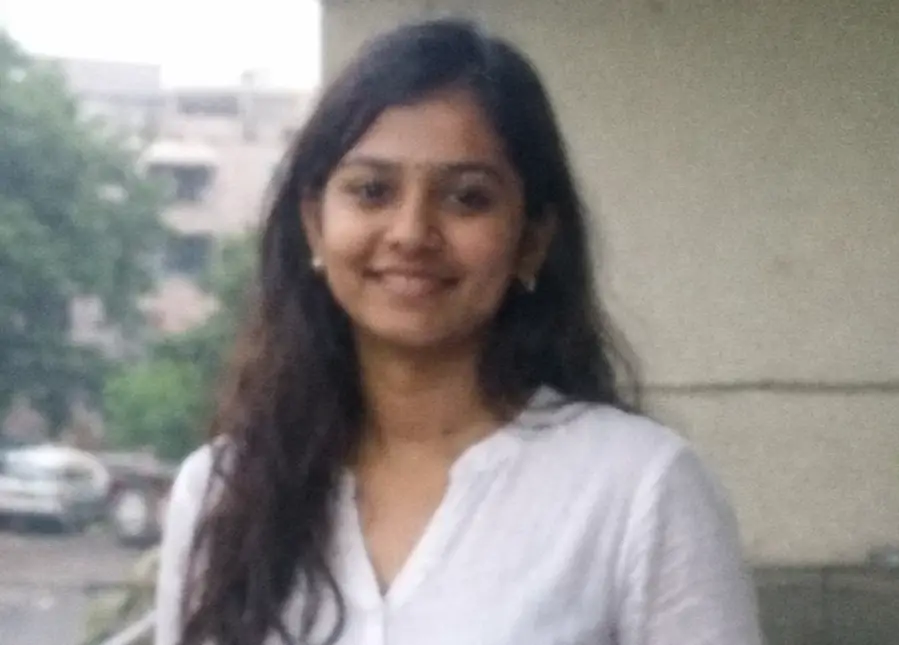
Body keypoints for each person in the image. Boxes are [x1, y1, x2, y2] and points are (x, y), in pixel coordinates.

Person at [155, 17, 763, 645]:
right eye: (372, 191)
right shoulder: (222, 493)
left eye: (467, 198)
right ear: (315, 224)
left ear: (531, 240)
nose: (411, 233)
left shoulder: (638, 489)